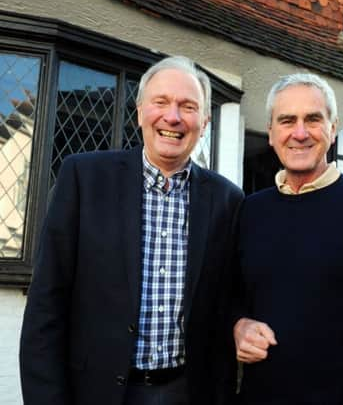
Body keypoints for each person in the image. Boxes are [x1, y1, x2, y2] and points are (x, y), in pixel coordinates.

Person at [19, 56, 244, 405]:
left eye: (188, 106)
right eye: (161, 102)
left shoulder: (228, 200)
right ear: (140, 112)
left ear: (205, 120)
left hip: (186, 392)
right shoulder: (83, 178)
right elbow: (46, 304)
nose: (173, 116)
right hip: (95, 392)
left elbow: (228, 303)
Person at [233, 73, 343, 404]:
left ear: (332, 129)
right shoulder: (251, 210)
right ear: (271, 133)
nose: (299, 133)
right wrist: (239, 325)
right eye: (287, 121)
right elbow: (234, 297)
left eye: (313, 119)